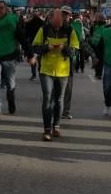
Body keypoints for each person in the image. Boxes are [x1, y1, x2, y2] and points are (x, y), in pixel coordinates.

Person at [31, 8, 78, 141]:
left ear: (62, 20)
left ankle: (56, 126)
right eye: (54, 24)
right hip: (46, 70)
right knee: (47, 98)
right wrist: (47, 48)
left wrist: (64, 48)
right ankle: (47, 130)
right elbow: (34, 47)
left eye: (59, 24)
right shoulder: (44, 30)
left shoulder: (70, 31)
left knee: (58, 99)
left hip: (63, 71)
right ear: (50, 19)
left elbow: (74, 52)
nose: (57, 27)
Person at [0, 0, 27, 120]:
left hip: (10, 57)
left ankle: (11, 101)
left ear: (5, 9)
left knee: (10, 85)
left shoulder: (12, 19)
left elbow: (21, 37)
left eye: (1, 7)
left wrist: (30, 53)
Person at [60, 6, 81, 119]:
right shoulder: (52, 27)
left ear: (70, 16)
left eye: (66, 14)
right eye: (62, 13)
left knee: (68, 88)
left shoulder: (73, 28)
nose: (64, 16)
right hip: (53, 64)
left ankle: (66, 111)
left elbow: (80, 43)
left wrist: (93, 55)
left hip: (69, 63)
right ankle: (55, 109)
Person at [24, 10, 45, 81]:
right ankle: (41, 72)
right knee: (40, 59)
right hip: (41, 43)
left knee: (33, 59)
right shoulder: (42, 23)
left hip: (32, 43)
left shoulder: (28, 23)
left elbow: (26, 35)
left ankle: (34, 75)